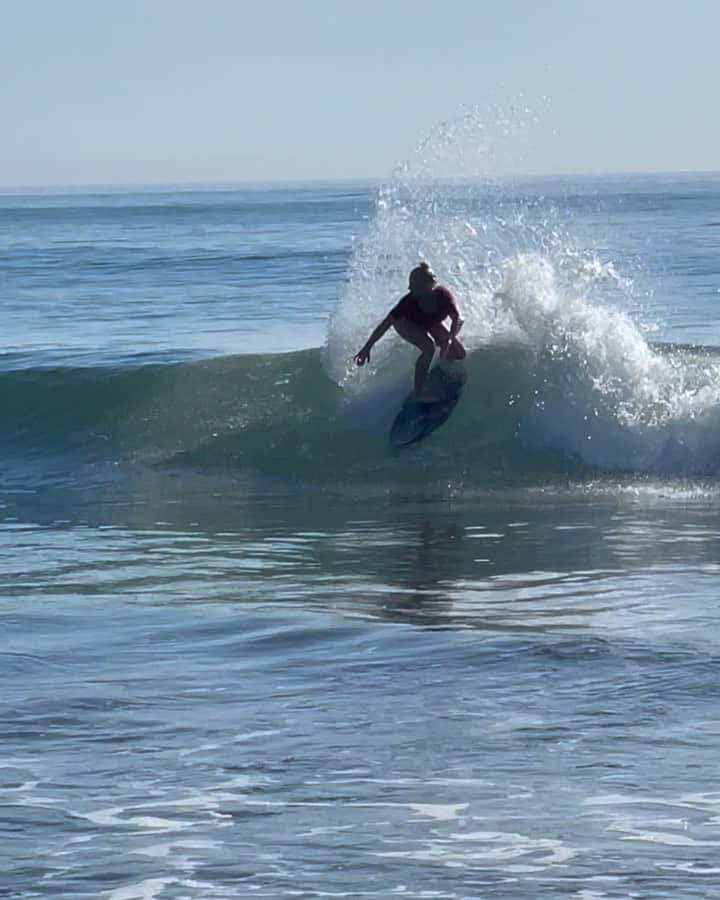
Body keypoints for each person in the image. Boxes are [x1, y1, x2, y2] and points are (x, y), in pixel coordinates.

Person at [353, 262, 466, 397]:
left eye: (415, 286)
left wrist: (449, 340)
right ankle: (419, 390)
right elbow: (385, 324)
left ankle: (442, 370)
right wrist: (367, 347)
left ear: (430, 285)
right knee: (428, 348)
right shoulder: (408, 302)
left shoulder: (443, 297)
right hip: (406, 324)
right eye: (411, 286)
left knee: (458, 353)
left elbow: (456, 319)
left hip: (429, 321)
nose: (409, 289)